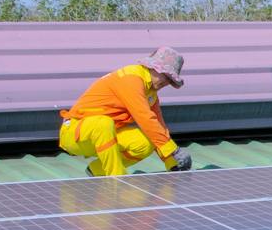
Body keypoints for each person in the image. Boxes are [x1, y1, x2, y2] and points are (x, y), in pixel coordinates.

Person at [59, 48, 193, 176]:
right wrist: (175, 151)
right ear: (152, 67)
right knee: (104, 123)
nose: (166, 82)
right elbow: (145, 118)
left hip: (105, 136)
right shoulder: (131, 79)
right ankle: (116, 179)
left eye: (170, 80)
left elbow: (158, 126)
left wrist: (172, 162)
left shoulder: (151, 92)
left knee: (146, 142)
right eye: (164, 75)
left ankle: (98, 169)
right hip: (74, 133)